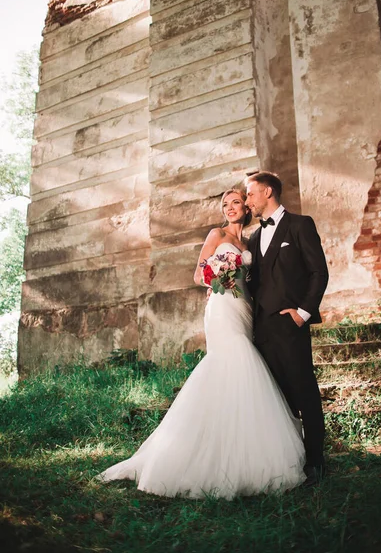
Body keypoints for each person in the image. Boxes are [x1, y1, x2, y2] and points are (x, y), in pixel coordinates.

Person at [97, 189, 306, 499]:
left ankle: (242, 448)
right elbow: (199, 274)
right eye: (225, 204)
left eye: (236, 202)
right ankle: (195, 455)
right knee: (234, 358)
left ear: (246, 207)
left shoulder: (250, 243)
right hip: (222, 306)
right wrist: (220, 277)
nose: (230, 208)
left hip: (244, 307)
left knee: (241, 368)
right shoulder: (216, 233)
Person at [245, 172, 329, 487]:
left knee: (304, 390)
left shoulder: (300, 225)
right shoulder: (253, 237)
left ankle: (316, 461)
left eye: (251, 194)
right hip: (262, 326)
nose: (248, 201)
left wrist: (303, 313)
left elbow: (318, 272)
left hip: (290, 322)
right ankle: (290, 459)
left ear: (268, 192)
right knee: (277, 396)